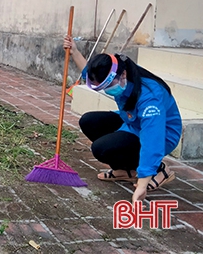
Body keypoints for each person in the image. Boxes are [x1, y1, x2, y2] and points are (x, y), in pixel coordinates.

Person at [64, 36, 182, 203]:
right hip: (133, 122)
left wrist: (142, 185)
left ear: (122, 75)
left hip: (161, 134)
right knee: (88, 121)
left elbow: (152, 139)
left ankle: (157, 170)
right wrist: (74, 50)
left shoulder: (150, 98)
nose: (107, 91)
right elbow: (88, 73)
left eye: (108, 86)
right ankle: (127, 170)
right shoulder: (120, 74)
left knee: (101, 149)